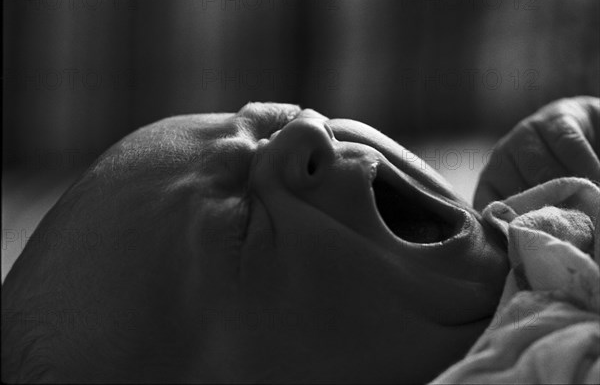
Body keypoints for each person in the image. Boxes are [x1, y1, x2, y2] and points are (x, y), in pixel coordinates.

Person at [1, 98, 598, 383]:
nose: (311, 131)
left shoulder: (550, 214)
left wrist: (582, 122)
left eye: (277, 120)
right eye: (241, 227)